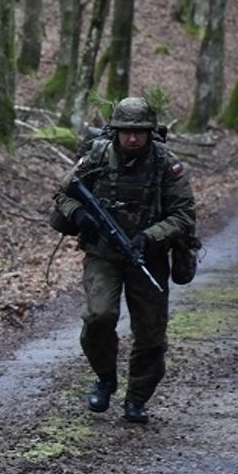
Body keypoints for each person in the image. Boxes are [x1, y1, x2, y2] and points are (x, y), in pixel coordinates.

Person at [52, 96, 196, 424]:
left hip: (149, 256)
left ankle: (136, 399)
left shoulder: (166, 163)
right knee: (98, 317)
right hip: (103, 253)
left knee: (151, 334)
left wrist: (149, 236)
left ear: (149, 132)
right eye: (125, 131)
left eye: (139, 131)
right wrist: (80, 216)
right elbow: (62, 194)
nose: (132, 137)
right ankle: (105, 378)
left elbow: (184, 214)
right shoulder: (97, 155)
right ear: (115, 131)